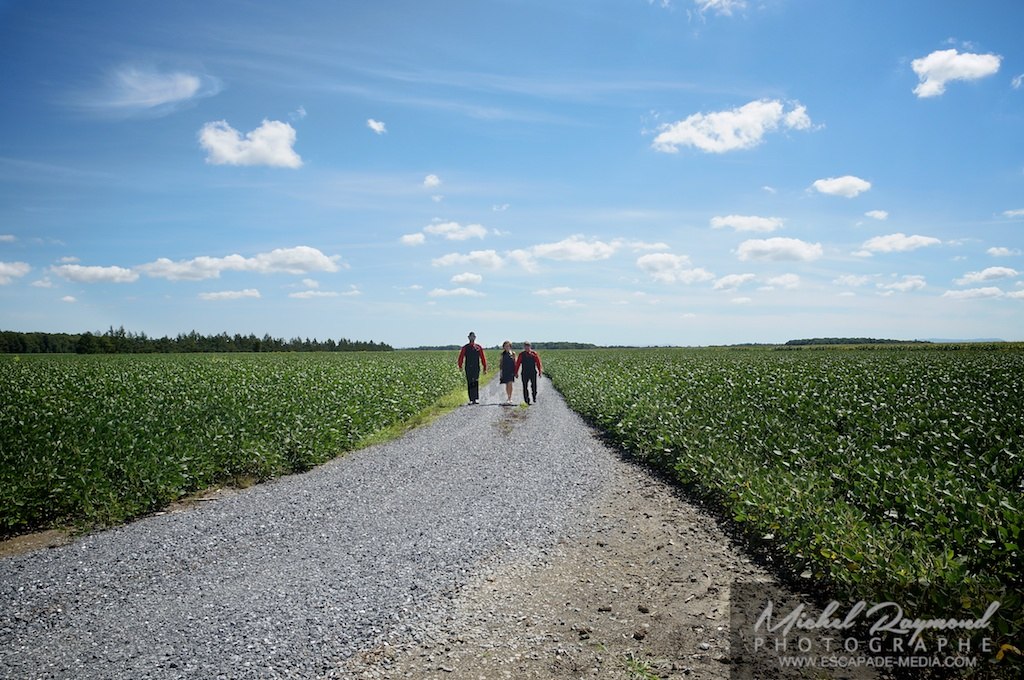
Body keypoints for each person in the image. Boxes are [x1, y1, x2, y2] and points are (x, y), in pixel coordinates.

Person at [456, 331, 487, 404]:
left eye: (473, 336)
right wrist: (460, 366)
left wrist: (484, 367)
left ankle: (475, 398)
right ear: (468, 337)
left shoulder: (478, 347)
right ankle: (471, 399)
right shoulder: (465, 347)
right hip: (468, 367)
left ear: (475, 337)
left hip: (476, 367)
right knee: (470, 382)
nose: (472, 338)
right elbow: (461, 357)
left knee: (475, 381)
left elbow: (482, 358)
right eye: (471, 336)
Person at [514, 341, 542, 405]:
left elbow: (538, 363)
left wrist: (540, 371)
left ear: (530, 346)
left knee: (534, 386)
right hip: (524, 373)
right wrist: (516, 372)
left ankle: (534, 396)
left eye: (528, 346)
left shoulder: (534, 354)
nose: (527, 348)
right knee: (525, 386)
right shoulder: (521, 354)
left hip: (533, 372)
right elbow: (518, 363)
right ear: (524, 347)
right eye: (525, 346)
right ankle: (526, 399)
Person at [497, 340, 516, 404]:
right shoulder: (502, 354)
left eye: (508, 346)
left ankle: (510, 398)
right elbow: (501, 363)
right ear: (504, 347)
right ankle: (508, 397)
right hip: (505, 371)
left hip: (511, 371)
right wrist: (501, 372)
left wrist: (515, 372)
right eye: (506, 346)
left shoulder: (513, 353)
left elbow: (515, 363)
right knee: (507, 384)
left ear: (510, 347)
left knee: (510, 384)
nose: (507, 347)